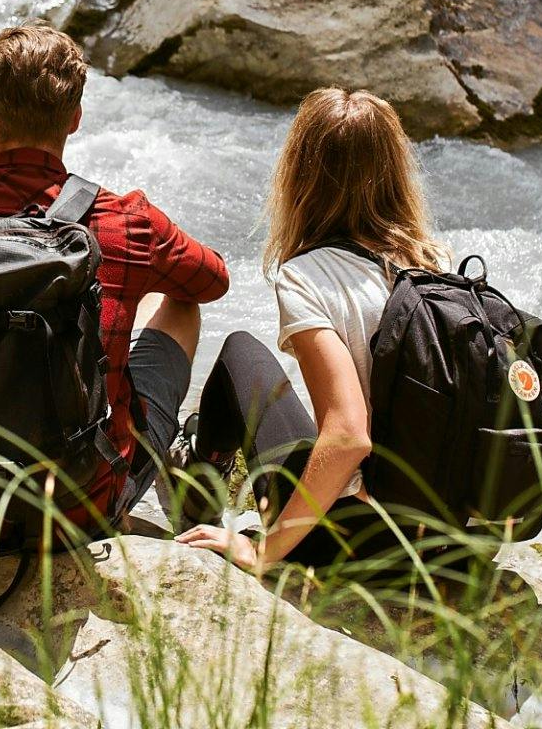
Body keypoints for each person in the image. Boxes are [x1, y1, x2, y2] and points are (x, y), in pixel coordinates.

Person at [0, 24, 231, 540]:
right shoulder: (127, 222)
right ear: (75, 120)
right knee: (179, 304)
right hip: (81, 510)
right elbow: (212, 281)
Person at [173, 87, 447, 574]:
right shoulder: (436, 266)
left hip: (359, 543)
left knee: (239, 352)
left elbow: (348, 435)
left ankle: (196, 497)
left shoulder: (307, 276)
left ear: (300, 175)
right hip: (448, 541)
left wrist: (264, 549)